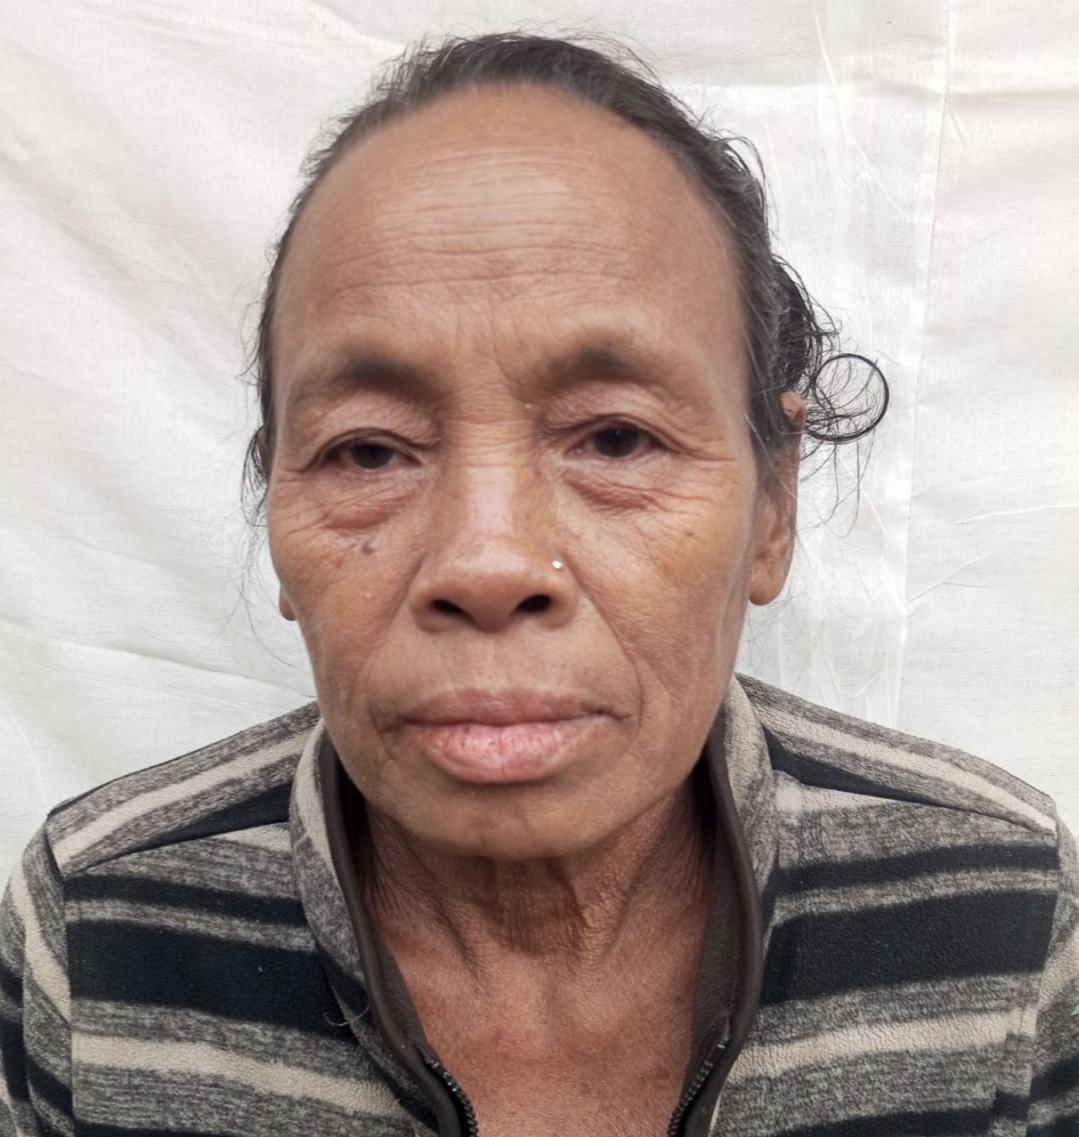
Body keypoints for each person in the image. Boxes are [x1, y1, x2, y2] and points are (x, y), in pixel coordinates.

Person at [1, 31, 1076, 1137]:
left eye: (615, 439)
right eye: (367, 451)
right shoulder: (100, 928)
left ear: (771, 508)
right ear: (275, 506)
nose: (487, 564)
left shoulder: (998, 913)